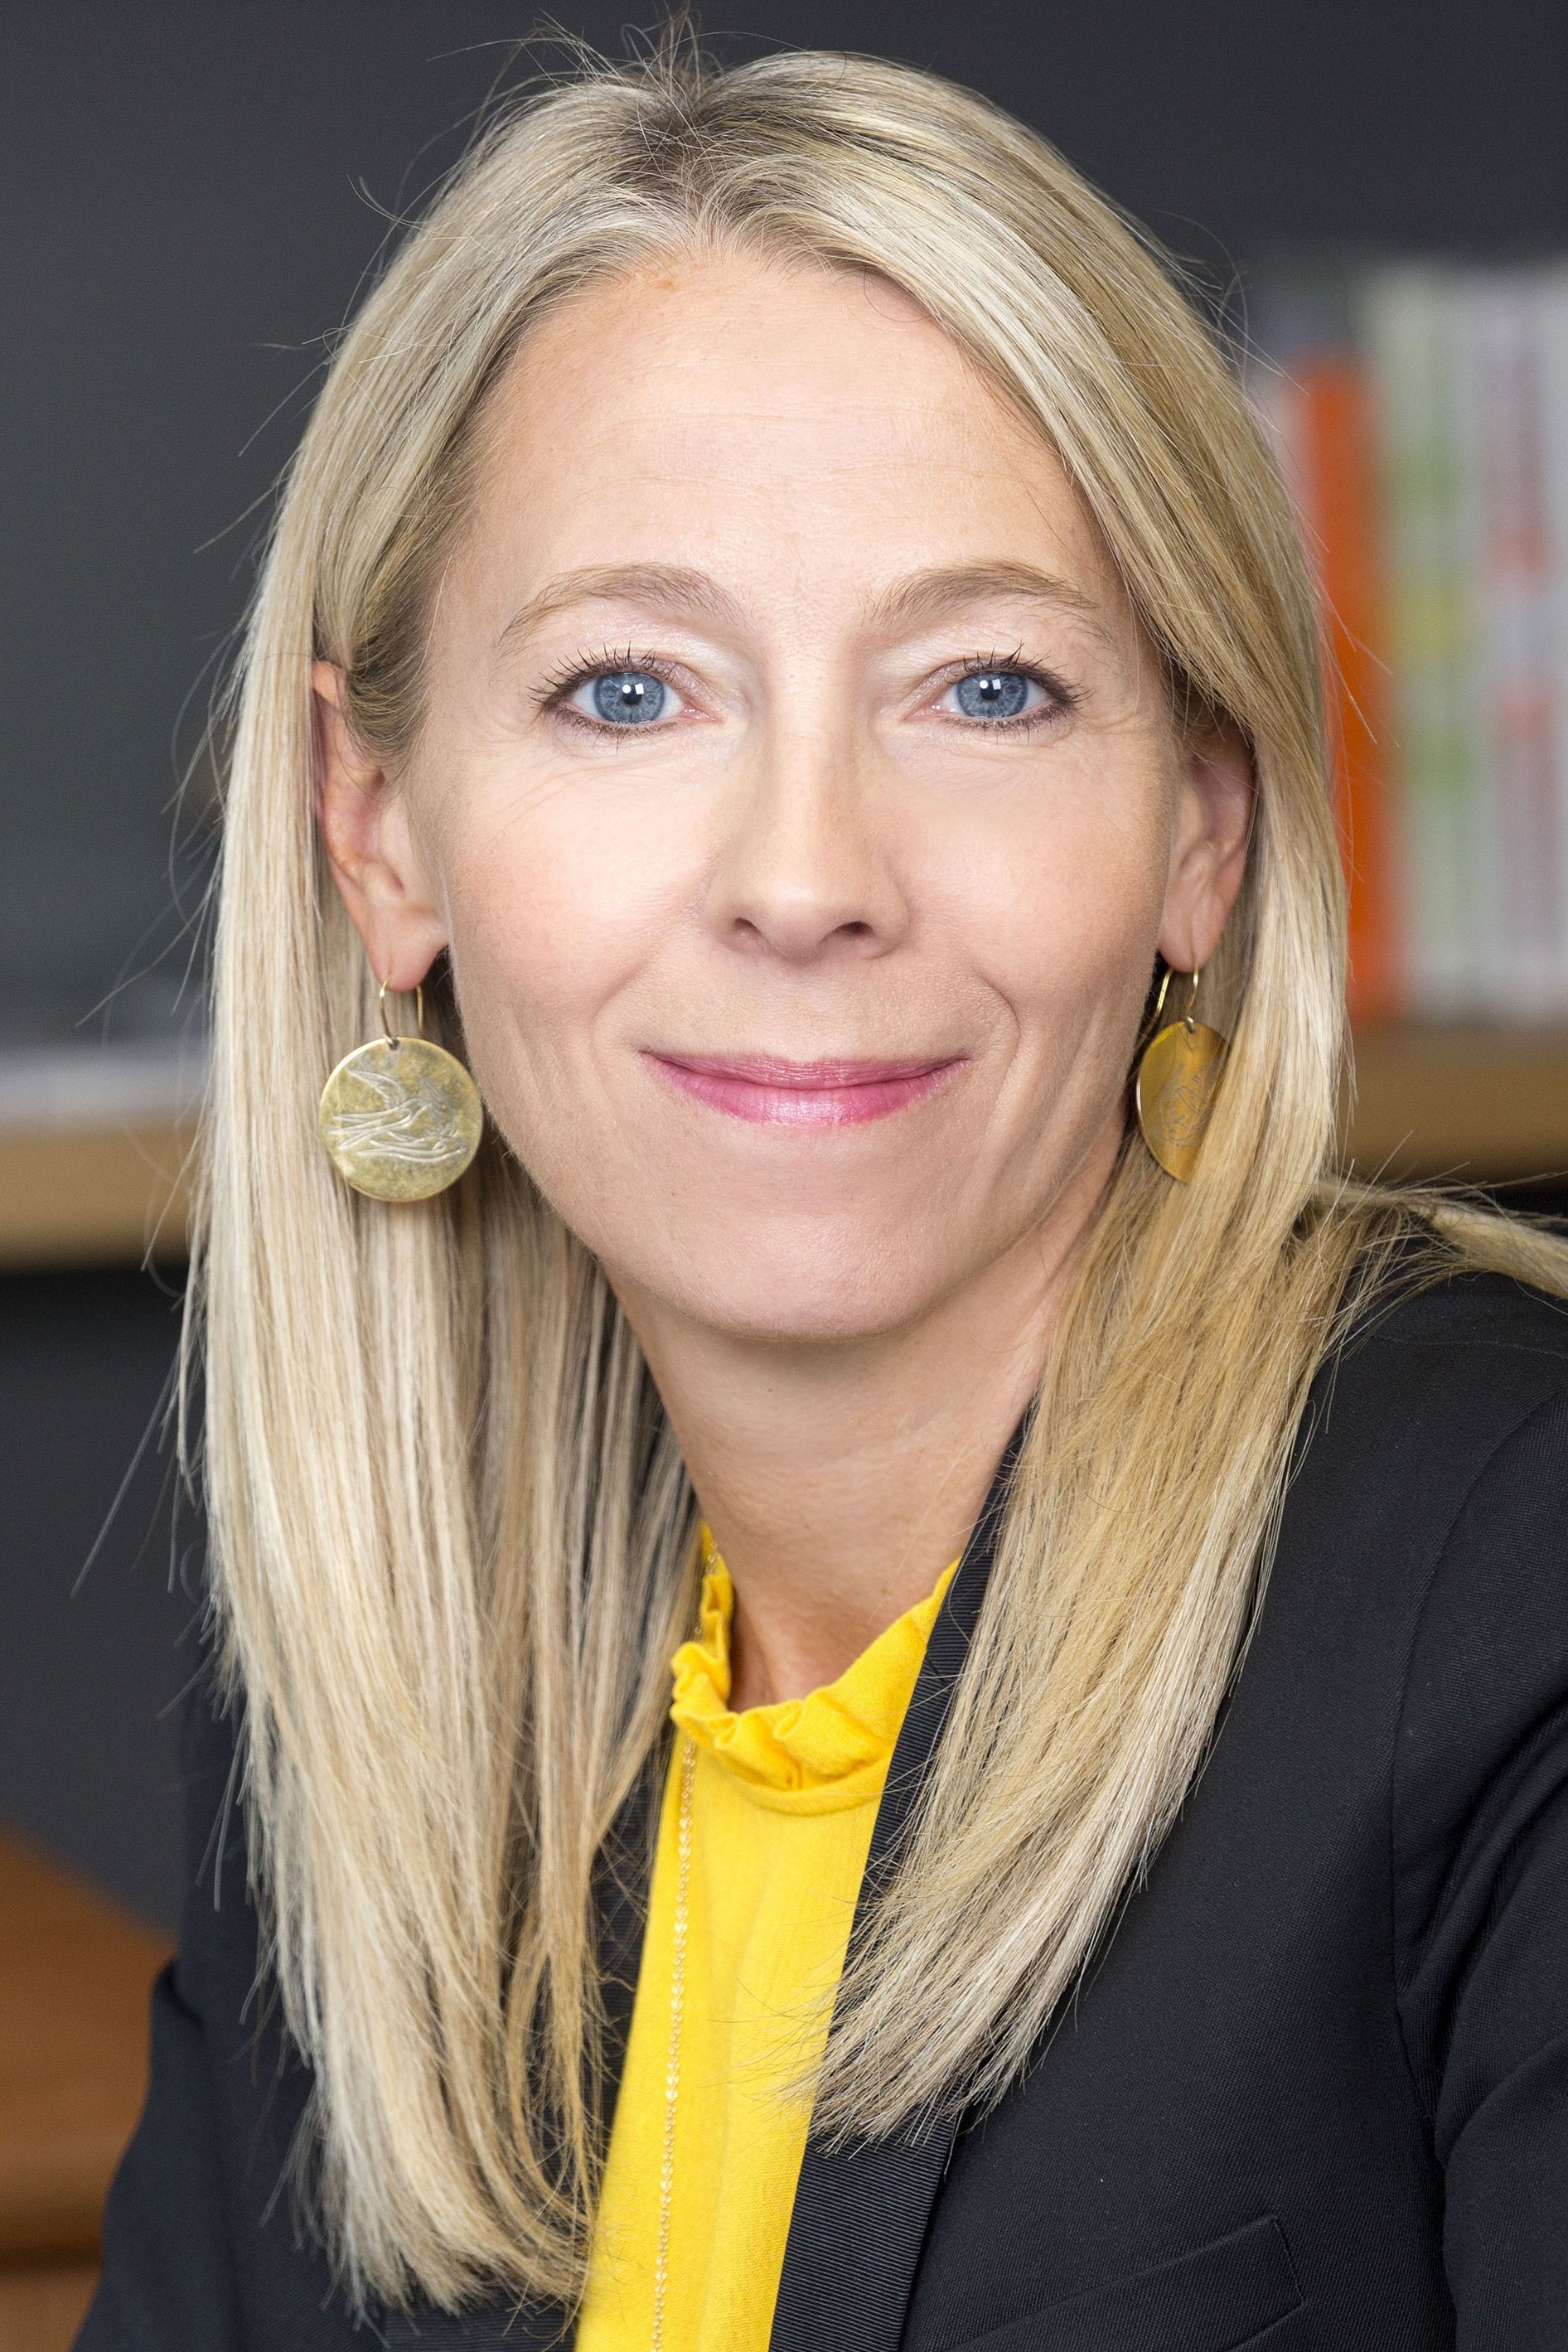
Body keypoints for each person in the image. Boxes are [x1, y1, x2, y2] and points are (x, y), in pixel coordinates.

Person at [80, 36, 1568, 2352]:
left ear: (1199, 830)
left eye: (984, 689)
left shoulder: (1513, 1600)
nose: (804, 879)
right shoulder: (376, 1688)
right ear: (379, 832)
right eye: (627, 692)